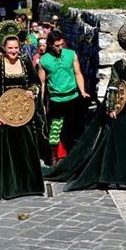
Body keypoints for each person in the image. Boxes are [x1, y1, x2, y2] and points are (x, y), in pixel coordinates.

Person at [44, 23, 126, 192]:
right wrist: (112, 109)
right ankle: (124, 178)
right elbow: (114, 88)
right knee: (125, 145)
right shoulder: (120, 65)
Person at [0, 21, 46, 200]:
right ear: (4, 47)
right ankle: (8, 187)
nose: (13, 51)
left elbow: (36, 83)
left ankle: (26, 186)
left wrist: (32, 91)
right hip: (4, 116)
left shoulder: (26, 63)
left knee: (25, 149)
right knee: (5, 152)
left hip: (24, 115)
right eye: (10, 48)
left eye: (16, 48)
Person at [38, 30, 89, 164]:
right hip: (56, 101)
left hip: (73, 98)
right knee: (55, 131)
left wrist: (82, 91)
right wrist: (41, 103)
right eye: (57, 45)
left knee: (74, 130)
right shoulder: (43, 61)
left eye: (62, 44)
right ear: (50, 44)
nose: (60, 48)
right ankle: (54, 160)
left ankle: (75, 160)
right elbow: (42, 83)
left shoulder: (71, 54)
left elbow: (78, 73)